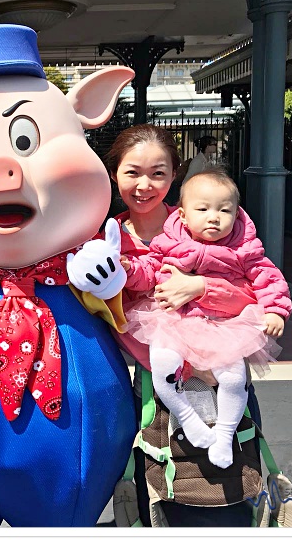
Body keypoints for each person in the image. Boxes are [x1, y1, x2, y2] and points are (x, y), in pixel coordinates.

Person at [102, 124, 265, 526]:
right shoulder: (100, 240)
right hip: (152, 382)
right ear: (113, 174)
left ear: (174, 175)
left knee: (226, 493)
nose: (145, 184)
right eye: (132, 172)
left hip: (218, 371)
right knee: (161, 499)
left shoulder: (206, 220)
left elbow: (253, 294)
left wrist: (200, 287)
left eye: (158, 172)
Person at [119, 168, 291, 469]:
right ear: (183, 216)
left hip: (222, 327)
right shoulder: (168, 242)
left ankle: (224, 435)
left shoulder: (244, 248)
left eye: (225, 210)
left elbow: (268, 277)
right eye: (203, 209)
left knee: (234, 378)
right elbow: (149, 270)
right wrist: (128, 269)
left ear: (237, 214)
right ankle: (187, 418)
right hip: (176, 323)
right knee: (162, 366)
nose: (214, 217)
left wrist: (276, 309)